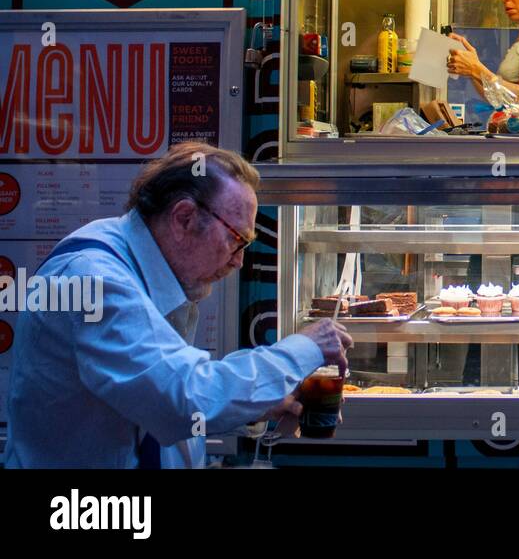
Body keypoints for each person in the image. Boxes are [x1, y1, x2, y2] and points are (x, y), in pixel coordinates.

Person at [2, 142, 352, 468]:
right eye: (237, 240)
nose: (239, 261)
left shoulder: (142, 268)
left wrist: (253, 404)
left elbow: (154, 405)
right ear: (184, 218)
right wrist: (304, 349)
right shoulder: (95, 279)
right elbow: (183, 397)